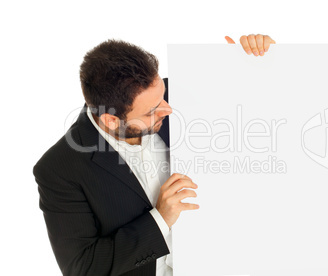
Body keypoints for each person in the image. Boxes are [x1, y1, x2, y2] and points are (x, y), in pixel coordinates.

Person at [32, 34, 276, 276]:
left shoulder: (161, 94)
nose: (168, 108)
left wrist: (255, 61)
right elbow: (83, 268)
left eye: (163, 94)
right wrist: (160, 219)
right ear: (112, 121)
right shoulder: (59, 169)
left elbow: (259, 99)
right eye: (153, 111)